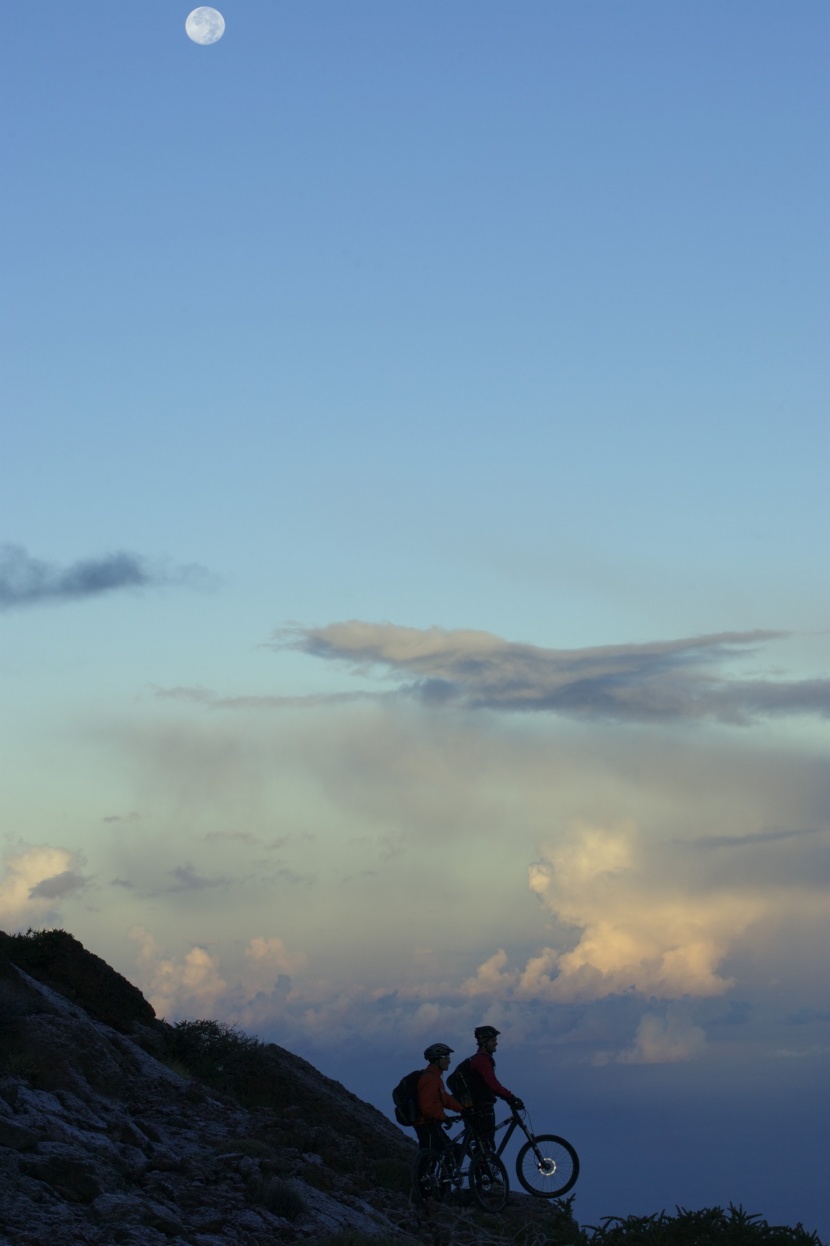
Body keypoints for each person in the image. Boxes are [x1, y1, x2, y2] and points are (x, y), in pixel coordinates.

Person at [467, 1025, 524, 1150]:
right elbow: (493, 1084)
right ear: (484, 1042)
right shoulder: (482, 1060)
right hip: (483, 1109)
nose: (496, 1044)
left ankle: (480, 1167)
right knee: (485, 1145)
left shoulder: (479, 1059)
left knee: (483, 1145)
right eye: (493, 1040)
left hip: (479, 1108)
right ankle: (479, 1168)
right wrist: (510, 1097)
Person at [415, 1042, 466, 1152]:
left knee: (448, 1152)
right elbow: (427, 1108)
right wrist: (443, 1117)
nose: (449, 1061)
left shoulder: (435, 1077)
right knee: (447, 1152)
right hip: (427, 1125)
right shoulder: (430, 1079)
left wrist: (462, 1109)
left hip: (431, 1124)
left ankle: (444, 1169)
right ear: (437, 1060)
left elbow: (445, 1098)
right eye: (446, 1057)